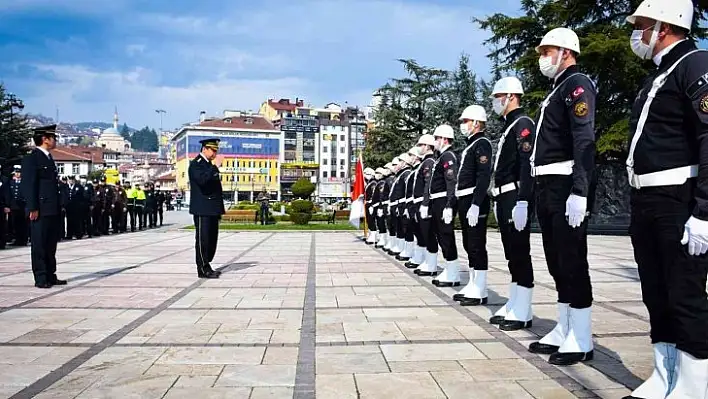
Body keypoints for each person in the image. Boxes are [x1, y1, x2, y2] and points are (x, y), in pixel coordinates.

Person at [623, 1, 708, 398]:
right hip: (648, 199)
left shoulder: (695, 63)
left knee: (685, 294)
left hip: (679, 198)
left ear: (663, 25)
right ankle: (664, 374)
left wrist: (705, 211)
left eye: (641, 25)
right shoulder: (659, 75)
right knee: (656, 291)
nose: (637, 33)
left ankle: (694, 386)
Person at [527, 27, 597, 366]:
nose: (542, 58)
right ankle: (565, 325)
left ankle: (581, 336)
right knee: (557, 262)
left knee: (572, 261)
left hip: (565, 183)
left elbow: (584, 140)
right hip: (547, 185)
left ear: (565, 52)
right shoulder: (556, 89)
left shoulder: (576, 84)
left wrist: (579, 191)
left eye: (547, 51)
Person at [485, 76, 536, 331]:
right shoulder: (510, 125)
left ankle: (524, 308)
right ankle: (515, 302)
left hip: (515, 195)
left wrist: (524, 201)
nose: (496, 102)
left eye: (498, 97)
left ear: (511, 96)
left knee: (519, 251)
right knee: (511, 254)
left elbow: (527, 165)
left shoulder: (523, 124)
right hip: (504, 195)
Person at [451, 105, 493, 306]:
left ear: (477, 123)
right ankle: (474, 283)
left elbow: (484, 176)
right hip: (465, 199)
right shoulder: (471, 145)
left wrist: (476, 204)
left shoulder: (482, 144)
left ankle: (481, 288)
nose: (463, 125)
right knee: (469, 244)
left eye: (465, 121)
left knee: (477, 244)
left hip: (475, 199)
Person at [21, 125, 65, 289]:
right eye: (53, 137)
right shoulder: (32, 159)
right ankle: (40, 277)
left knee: (50, 244)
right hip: (40, 208)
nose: (55, 140)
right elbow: (29, 184)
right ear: (45, 139)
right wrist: (33, 207)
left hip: (52, 207)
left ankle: (50, 274)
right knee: (39, 244)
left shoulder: (49, 158)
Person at [423, 125, 460, 287]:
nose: (435, 141)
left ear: (445, 139)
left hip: (444, 200)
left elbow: (451, 182)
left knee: (446, 236)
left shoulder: (448, 157)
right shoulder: (441, 157)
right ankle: (449, 269)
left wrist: (449, 205)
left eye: (437, 138)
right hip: (437, 200)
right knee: (441, 235)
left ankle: (453, 271)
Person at [188, 138, 225, 279]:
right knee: (203, 239)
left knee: (211, 239)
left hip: (212, 208)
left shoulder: (207, 165)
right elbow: (203, 181)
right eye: (213, 150)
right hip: (202, 208)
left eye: (216, 150)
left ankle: (207, 264)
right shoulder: (197, 164)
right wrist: (215, 167)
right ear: (205, 149)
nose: (215, 153)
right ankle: (202, 268)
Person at [410, 134, 438, 274]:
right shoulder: (425, 162)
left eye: (420, 145)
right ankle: (428, 261)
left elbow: (428, 184)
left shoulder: (429, 162)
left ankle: (431, 264)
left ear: (427, 146)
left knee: (428, 234)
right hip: (419, 202)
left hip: (424, 202)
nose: (419, 148)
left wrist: (425, 203)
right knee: (423, 233)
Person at [8, 166, 27, 246]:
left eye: (19, 172)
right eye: (16, 172)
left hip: (22, 207)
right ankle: (16, 239)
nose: (17, 174)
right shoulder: (11, 182)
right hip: (14, 206)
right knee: (14, 224)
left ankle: (23, 240)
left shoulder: (24, 182)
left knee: (23, 224)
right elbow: (9, 194)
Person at [63, 175, 84, 239]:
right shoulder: (66, 187)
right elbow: (64, 197)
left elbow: (82, 197)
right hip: (69, 207)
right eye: (70, 179)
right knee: (69, 221)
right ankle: (69, 234)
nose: (71, 181)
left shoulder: (79, 187)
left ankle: (78, 234)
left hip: (77, 207)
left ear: (74, 180)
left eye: (72, 179)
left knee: (77, 221)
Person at [364, 167, 378, 245]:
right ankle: (371, 235)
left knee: (372, 221)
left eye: (367, 174)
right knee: (369, 220)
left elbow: (373, 195)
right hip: (368, 203)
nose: (365, 175)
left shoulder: (373, 183)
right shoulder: (369, 183)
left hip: (371, 204)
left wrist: (372, 205)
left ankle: (373, 237)